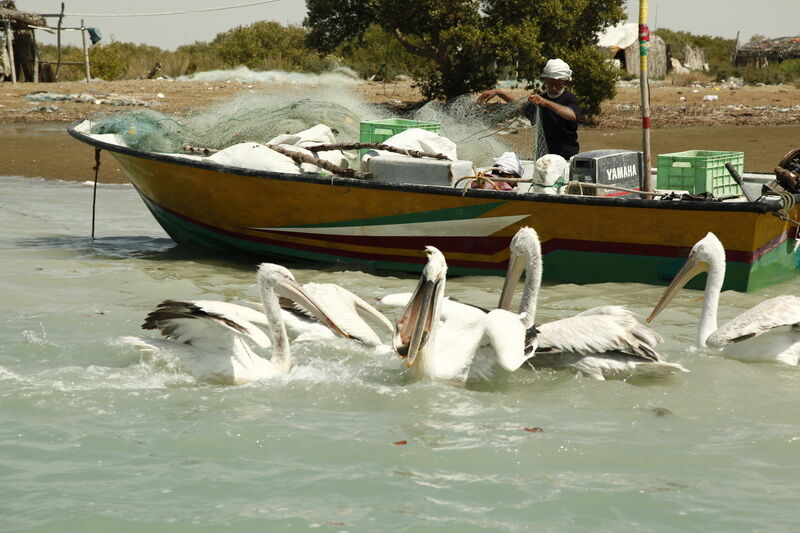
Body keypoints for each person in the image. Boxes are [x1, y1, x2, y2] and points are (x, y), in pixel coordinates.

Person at [478, 58, 582, 160]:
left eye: (558, 84)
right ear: (545, 80)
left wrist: (545, 103)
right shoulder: (541, 98)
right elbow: (520, 107)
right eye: (550, 83)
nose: (554, 88)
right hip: (542, 156)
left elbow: (572, 115)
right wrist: (500, 93)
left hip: (566, 156)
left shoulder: (569, 98)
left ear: (566, 82)